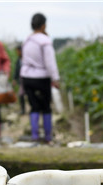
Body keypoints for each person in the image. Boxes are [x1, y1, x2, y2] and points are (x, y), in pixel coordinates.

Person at [20, 13, 60, 144]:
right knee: (46, 107)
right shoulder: (45, 41)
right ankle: (48, 136)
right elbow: (50, 62)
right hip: (41, 79)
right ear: (44, 25)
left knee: (34, 106)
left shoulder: (27, 40)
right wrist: (55, 78)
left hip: (27, 77)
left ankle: (34, 135)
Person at [12, 45, 26, 115]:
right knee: (21, 95)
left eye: (18, 51)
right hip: (22, 81)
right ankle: (23, 109)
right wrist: (14, 79)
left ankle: (35, 109)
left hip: (29, 79)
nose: (17, 53)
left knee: (31, 95)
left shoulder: (27, 59)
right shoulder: (18, 61)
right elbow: (16, 71)